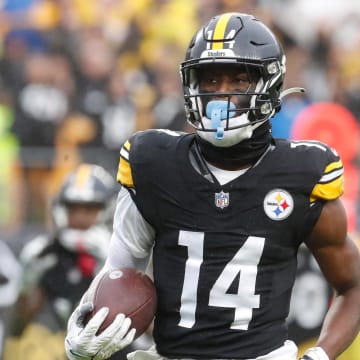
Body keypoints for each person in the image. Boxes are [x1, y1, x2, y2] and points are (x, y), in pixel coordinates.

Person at [64, 13, 360, 360]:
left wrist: (321, 355)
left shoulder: (301, 172)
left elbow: (353, 285)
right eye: (210, 80)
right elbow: (119, 273)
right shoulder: (154, 164)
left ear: (270, 84)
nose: (221, 95)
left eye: (237, 81)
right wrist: (85, 326)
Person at [4, 163, 119, 359]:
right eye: (73, 209)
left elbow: (148, 329)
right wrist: (26, 285)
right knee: (29, 348)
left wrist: (110, 267)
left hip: (113, 350)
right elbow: (16, 330)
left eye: (89, 209)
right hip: (63, 349)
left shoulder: (128, 255)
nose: (79, 218)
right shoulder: (47, 255)